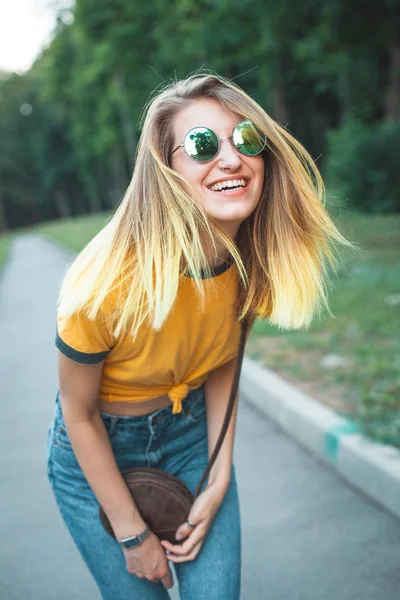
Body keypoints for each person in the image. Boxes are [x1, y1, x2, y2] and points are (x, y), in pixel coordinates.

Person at [46, 72, 349, 600]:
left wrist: (218, 475)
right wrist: (133, 534)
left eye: (247, 139)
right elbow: (79, 414)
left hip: (191, 441)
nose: (231, 159)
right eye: (202, 145)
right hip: (96, 452)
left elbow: (222, 360)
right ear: (166, 170)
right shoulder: (106, 282)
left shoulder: (250, 260)